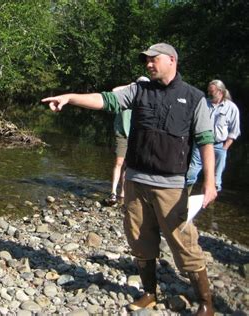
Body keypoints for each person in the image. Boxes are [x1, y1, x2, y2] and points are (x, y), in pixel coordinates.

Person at [42, 43, 217, 315]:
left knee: (185, 244)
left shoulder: (193, 97)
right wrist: (70, 97)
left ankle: (206, 302)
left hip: (171, 186)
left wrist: (210, 183)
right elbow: (105, 100)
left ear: (172, 60)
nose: (148, 64)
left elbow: (206, 141)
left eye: (153, 60)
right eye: (145, 61)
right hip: (135, 181)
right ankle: (149, 293)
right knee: (139, 239)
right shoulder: (139, 91)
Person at [186, 80, 240, 192]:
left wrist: (225, 147)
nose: (209, 93)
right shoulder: (203, 103)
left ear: (220, 91)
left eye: (211, 91)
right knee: (191, 174)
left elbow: (234, 131)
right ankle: (185, 198)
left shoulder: (231, 108)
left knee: (216, 180)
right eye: (208, 91)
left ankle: (209, 204)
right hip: (201, 144)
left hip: (219, 146)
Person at [105, 76, 149, 205]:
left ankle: (123, 193)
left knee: (128, 166)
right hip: (122, 133)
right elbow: (114, 90)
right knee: (119, 162)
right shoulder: (127, 93)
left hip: (136, 135)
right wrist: (132, 86)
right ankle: (113, 192)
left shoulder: (144, 99)